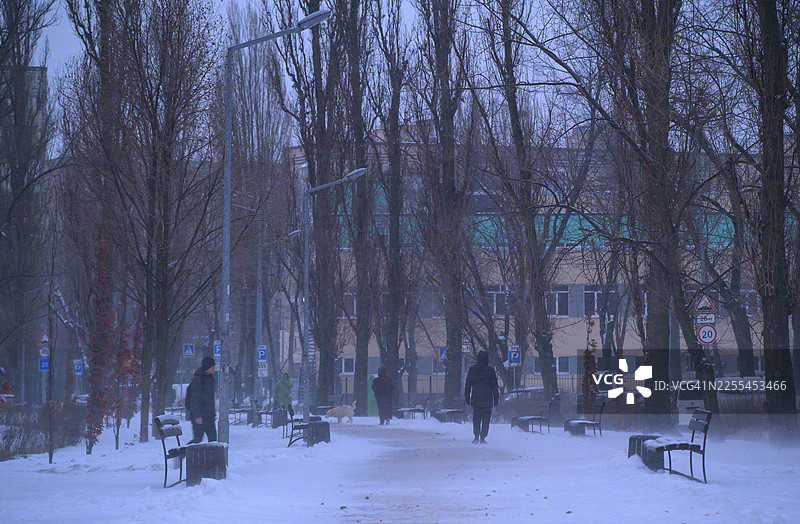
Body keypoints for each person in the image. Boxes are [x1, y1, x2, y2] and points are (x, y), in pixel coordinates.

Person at [464, 350, 499, 444]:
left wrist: (467, 397)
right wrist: (496, 398)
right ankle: (483, 437)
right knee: (486, 418)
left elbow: (468, 384)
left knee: (476, 417)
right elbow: (494, 385)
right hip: (487, 398)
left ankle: (476, 436)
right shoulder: (490, 370)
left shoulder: (473, 369)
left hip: (476, 398)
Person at [187, 356, 217, 444]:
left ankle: (212, 457)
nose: (214, 368)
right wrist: (197, 416)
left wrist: (213, 414)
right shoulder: (198, 380)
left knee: (213, 440)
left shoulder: (210, 378)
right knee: (197, 439)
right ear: (208, 366)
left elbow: (210, 399)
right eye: (212, 366)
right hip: (199, 415)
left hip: (208, 415)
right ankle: (181, 454)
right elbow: (195, 399)